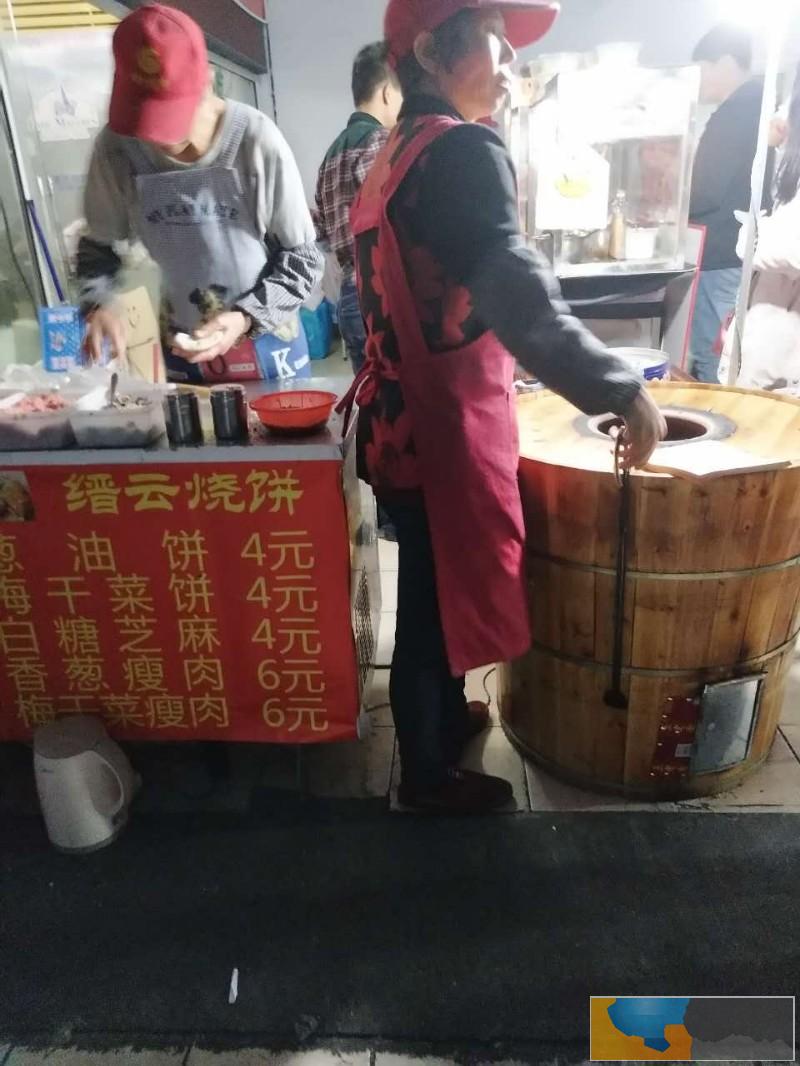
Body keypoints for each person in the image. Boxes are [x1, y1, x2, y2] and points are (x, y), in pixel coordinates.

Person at [342, 0, 666, 814]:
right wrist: (618, 387)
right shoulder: (460, 151)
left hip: (397, 420)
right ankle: (424, 779)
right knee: (428, 602)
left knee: (438, 580)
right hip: (442, 423)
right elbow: (517, 293)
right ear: (430, 51)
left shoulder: (393, 153)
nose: (513, 60)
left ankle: (443, 720)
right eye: (496, 39)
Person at [77, 3, 322, 382]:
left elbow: (303, 260)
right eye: (144, 118)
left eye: (170, 115)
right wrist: (99, 305)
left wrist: (244, 318)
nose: (157, 139)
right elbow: (97, 248)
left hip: (268, 344)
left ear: (206, 81)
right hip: (183, 348)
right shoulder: (117, 148)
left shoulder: (255, 141)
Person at [315, 42, 403, 374]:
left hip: (349, 299)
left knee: (366, 394)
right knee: (399, 398)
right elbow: (388, 219)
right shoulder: (381, 141)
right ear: (387, 93)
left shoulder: (330, 156)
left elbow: (322, 233)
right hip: (381, 297)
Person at [688, 24, 768, 383]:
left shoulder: (736, 112)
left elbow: (705, 190)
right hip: (740, 252)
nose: (699, 79)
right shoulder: (762, 106)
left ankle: (713, 416)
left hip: (721, 257)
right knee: (726, 354)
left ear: (724, 63)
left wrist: (669, 206)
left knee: (713, 357)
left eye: (703, 68)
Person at [721, 67, 800, 392]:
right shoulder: (789, 159)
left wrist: (752, 237)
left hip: (782, 345)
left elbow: (790, 247)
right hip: (770, 322)